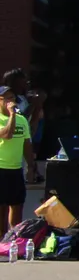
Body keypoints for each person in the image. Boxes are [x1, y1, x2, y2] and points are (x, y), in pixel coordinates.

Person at [0, 83, 28, 232]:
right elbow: (7, 134)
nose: (11, 101)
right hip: (1, 168)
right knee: (1, 210)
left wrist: (31, 166)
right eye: (7, 98)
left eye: (13, 98)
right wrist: (11, 115)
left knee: (17, 205)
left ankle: (14, 240)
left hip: (16, 169)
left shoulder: (21, 120)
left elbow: (27, 143)